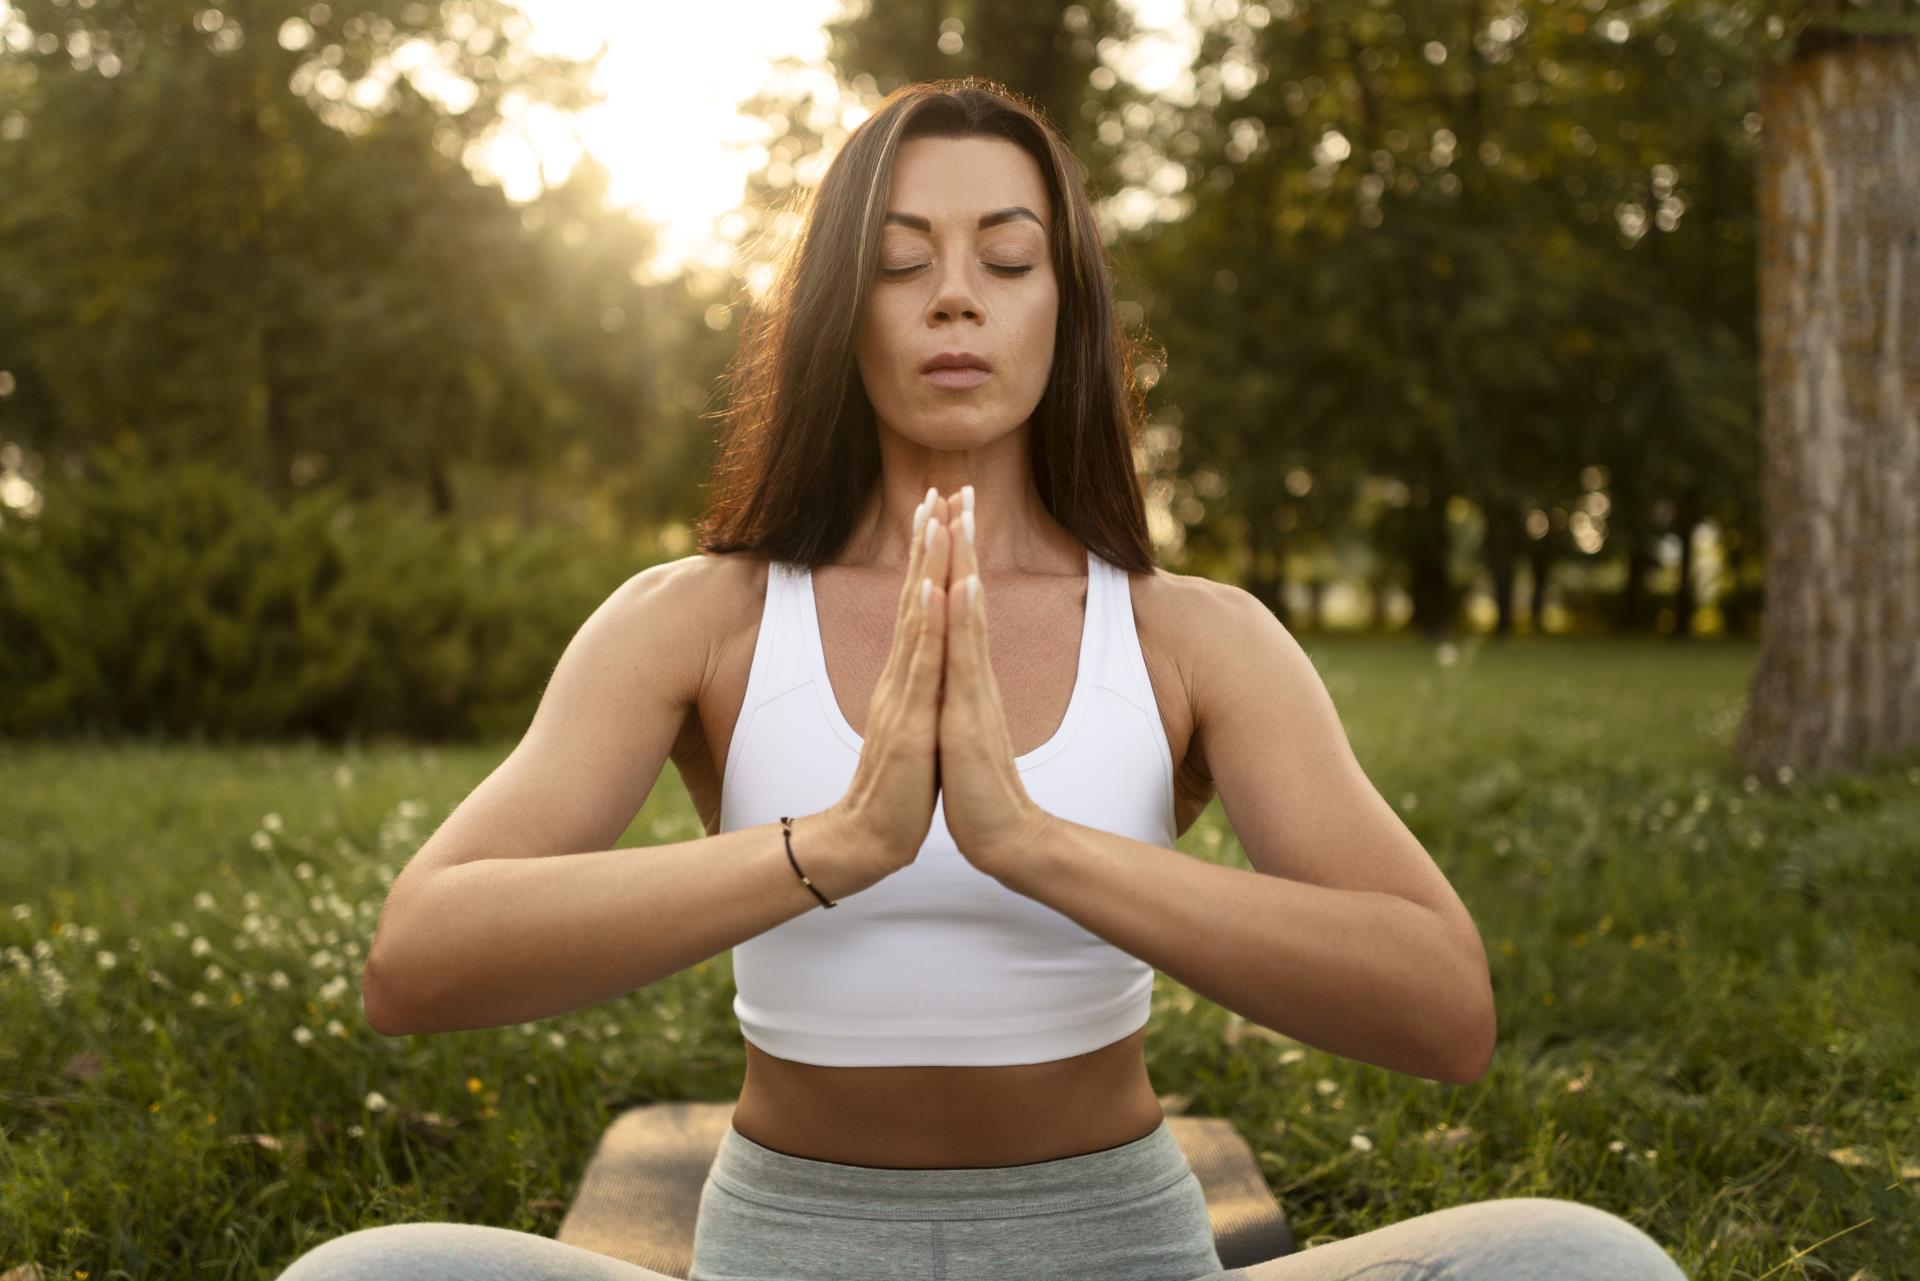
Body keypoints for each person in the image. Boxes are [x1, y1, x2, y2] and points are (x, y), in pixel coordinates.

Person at [274, 78, 1689, 1281]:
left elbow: (1443, 1005)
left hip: (1115, 1241)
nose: (956, 294)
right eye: (901, 262)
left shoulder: (1198, 636)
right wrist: (836, 846)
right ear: (846, 308)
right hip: (793, 1243)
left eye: (1007, 260)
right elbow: (419, 957)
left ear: (1063, 309)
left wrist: (1036, 844)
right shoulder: (697, 619)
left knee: (1589, 1262)